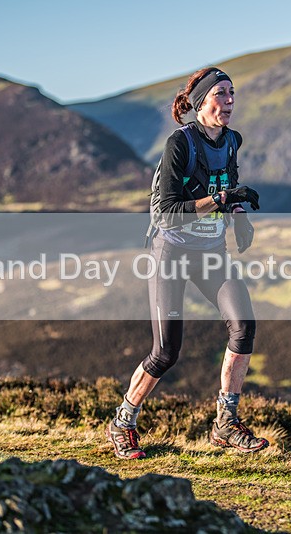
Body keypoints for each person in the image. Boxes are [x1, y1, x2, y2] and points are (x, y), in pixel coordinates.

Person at [106, 67, 267, 459]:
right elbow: (166, 213)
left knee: (244, 326)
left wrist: (240, 218)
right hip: (171, 253)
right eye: (221, 94)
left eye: (233, 92)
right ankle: (123, 421)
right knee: (166, 352)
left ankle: (225, 423)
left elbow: (227, 186)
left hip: (211, 252)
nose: (230, 100)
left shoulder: (231, 142)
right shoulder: (180, 145)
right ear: (202, 102)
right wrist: (222, 202)